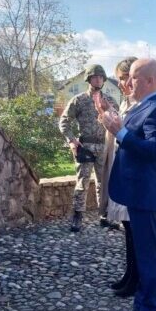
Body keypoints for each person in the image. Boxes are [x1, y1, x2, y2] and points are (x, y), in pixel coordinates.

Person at [102, 58, 156, 311]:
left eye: (134, 77)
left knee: (149, 256)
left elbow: (155, 150)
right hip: (138, 191)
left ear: (150, 81)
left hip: (148, 194)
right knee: (143, 255)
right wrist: (117, 125)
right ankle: (141, 305)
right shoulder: (144, 105)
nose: (128, 83)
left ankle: (151, 310)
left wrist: (120, 132)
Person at [59, 64, 119, 232]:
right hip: (85, 146)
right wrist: (72, 140)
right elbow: (64, 121)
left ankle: (104, 216)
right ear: (88, 79)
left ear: (104, 79)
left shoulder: (110, 101)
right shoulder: (79, 100)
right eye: (94, 77)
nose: (98, 80)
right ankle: (77, 216)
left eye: (100, 77)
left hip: (104, 146)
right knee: (82, 183)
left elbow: (118, 120)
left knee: (104, 183)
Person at [107, 57, 139, 298]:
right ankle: (130, 274)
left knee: (135, 232)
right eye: (119, 79)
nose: (120, 84)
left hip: (135, 176)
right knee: (128, 230)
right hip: (125, 172)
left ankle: (135, 279)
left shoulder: (141, 104)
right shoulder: (128, 102)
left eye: (123, 78)